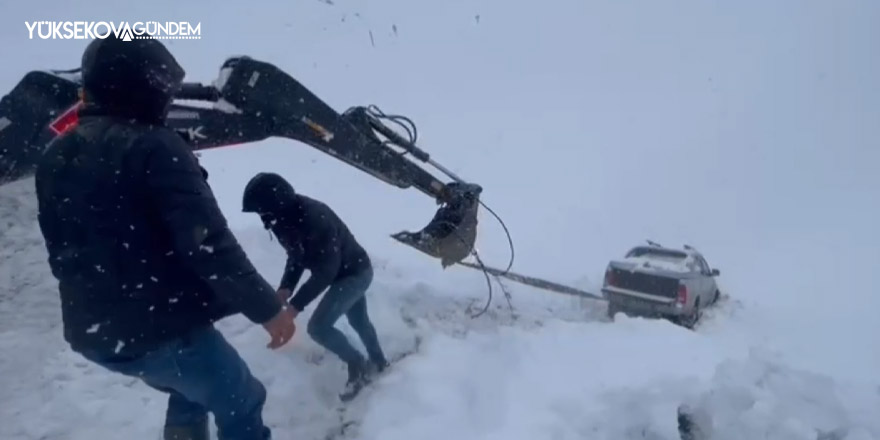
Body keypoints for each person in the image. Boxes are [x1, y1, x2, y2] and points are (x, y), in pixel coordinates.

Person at [34, 35, 296, 440]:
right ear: (143, 86)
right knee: (243, 400)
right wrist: (267, 309)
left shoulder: (57, 153)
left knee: (187, 392)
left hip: (95, 333)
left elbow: (66, 245)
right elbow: (209, 244)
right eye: (163, 87)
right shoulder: (154, 146)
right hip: (159, 331)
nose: (169, 97)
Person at [241, 172, 388, 399]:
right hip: (343, 272)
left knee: (318, 327)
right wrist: (285, 288)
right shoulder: (282, 221)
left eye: (263, 210)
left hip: (355, 273)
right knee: (359, 321)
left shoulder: (315, 219)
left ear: (277, 205)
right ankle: (379, 363)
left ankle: (359, 363)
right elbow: (296, 256)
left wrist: (294, 308)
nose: (262, 217)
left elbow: (325, 272)